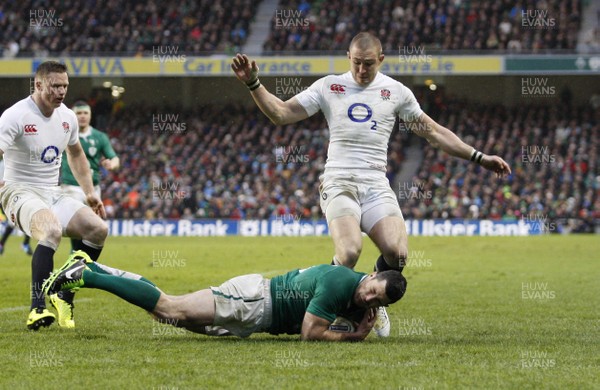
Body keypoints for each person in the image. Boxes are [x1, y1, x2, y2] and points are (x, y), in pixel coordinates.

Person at [231, 32, 512, 337]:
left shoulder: (396, 92)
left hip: (376, 183)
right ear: (347, 57)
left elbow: (433, 132)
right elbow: (281, 114)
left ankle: (369, 306)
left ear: (381, 60)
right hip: (339, 180)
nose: (362, 70)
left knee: (398, 253)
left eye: (368, 64)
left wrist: (479, 157)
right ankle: (330, 312)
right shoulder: (329, 86)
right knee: (350, 251)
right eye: (356, 63)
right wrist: (253, 83)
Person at [43, 251, 408, 341]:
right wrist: (354, 335)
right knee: (169, 307)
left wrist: (357, 316)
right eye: (371, 289)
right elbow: (310, 334)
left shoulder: (354, 293)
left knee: (165, 315)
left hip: (257, 312)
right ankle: (86, 274)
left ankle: (94, 267)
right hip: (255, 302)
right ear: (371, 274)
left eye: (376, 302)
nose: (368, 298)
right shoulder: (342, 283)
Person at [0, 61, 108, 330]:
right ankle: (37, 308)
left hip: (52, 192)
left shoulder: (67, 117)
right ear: (38, 85)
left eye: (65, 86)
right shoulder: (15, 116)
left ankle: (63, 294)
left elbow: (76, 154)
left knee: (97, 230)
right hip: (18, 191)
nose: (61, 91)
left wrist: (90, 194)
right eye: (55, 86)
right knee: (51, 231)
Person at [60, 100, 119, 252]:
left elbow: (114, 158)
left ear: (90, 115)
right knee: (77, 222)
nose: (82, 116)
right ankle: (76, 256)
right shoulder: (64, 133)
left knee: (93, 227)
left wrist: (111, 164)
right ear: (73, 115)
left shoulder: (100, 137)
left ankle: (80, 261)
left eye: (85, 113)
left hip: (93, 188)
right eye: (78, 113)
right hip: (71, 185)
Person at [0, 157, 33, 255]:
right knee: (13, 222)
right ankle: (24, 244)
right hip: (5, 198)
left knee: (27, 220)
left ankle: (25, 244)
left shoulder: (17, 164)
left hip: (18, 197)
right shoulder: (2, 165)